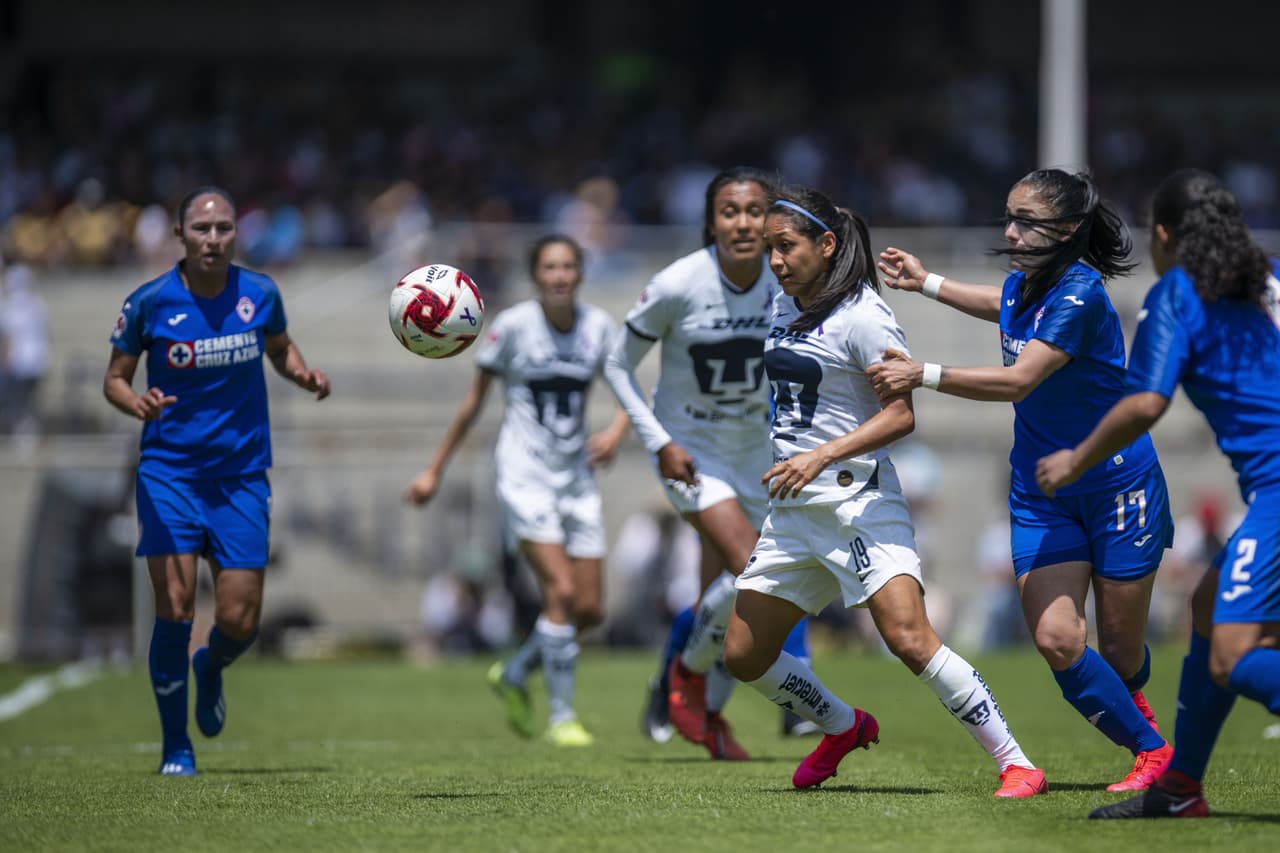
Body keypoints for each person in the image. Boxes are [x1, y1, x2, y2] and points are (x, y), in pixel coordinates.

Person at [722, 185, 1046, 798]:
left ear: (826, 244)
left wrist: (821, 454)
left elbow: (901, 416)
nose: (775, 262)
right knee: (743, 654)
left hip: (858, 503)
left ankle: (1016, 763)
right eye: (770, 249)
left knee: (908, 638)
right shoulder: (783, 304)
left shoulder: (864, 315)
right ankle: (842, 727)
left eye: (785, 247)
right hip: (793, 512)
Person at [868, 168, 1174, 792]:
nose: (1009, 230)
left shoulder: (1080, 295)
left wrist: (922, 373)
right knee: (1057, 639)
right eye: (1008, 217)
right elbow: (998, 302)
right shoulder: (1027, 284)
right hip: (1042, 491)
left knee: (1119, 654)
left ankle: (1139, 712)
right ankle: (1153, 752)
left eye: (1025, 222)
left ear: (1064, 230)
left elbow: (1018, 380)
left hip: (1118, 486)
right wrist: (924, 281)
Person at [1036, 169, 1280, 819]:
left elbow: (1145, 401)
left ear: (1166, 235)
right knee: (1207, 605)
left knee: (1233, 656)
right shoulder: (1270, 279)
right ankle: (1178, 788)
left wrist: (1077, 456)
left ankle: (1177, 787)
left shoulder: (1177, 292)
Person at [104, 186, 331, 776]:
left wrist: (301, 373)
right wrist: (136, 402)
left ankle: (211, 666)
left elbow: (280, 349)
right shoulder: (150, 303)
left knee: (239, 619)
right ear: (180, 235)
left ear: (237, 234)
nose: (213, 238)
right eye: (202, 229)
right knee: (175, 604)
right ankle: (175, 747)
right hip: (169, 472)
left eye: (224, 228)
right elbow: (114, 379)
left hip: (241, 476)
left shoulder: (260, 292)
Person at [604, 166, 812, 760]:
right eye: (730, 211)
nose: (743, 222)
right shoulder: (678, 283)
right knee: (758, 568)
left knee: (728, 600)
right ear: (711, 221)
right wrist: (657, 440)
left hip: (762, 456)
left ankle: (688, 694)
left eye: (754, 211)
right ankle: (697, 686)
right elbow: (617, 365)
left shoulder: (788, 281)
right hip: (693, 455)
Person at [404, 234, 629, 748]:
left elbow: (626, 390)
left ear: (580, 274)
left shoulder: (597, 327)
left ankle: (515, 671)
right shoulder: (511, 328)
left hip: (575, 477)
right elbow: (472, 404)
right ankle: (562, 716)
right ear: (535, 275)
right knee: (562, 593)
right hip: (523, 475)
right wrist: (433, 471)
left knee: (590, 610)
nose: (559, 275)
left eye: (568, 266)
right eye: (550, 267)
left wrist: (616, 432)